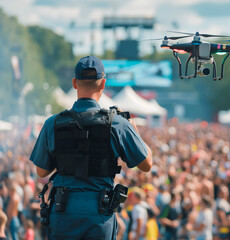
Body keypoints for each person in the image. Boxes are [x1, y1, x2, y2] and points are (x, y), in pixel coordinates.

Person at [29, 56, 152, 240]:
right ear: (103, 84)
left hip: (63, 212)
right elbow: (146, 164)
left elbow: (41, 171)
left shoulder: (52, 123)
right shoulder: (118, 124)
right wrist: (136, 133)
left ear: (74, 83)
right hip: (99, 214)